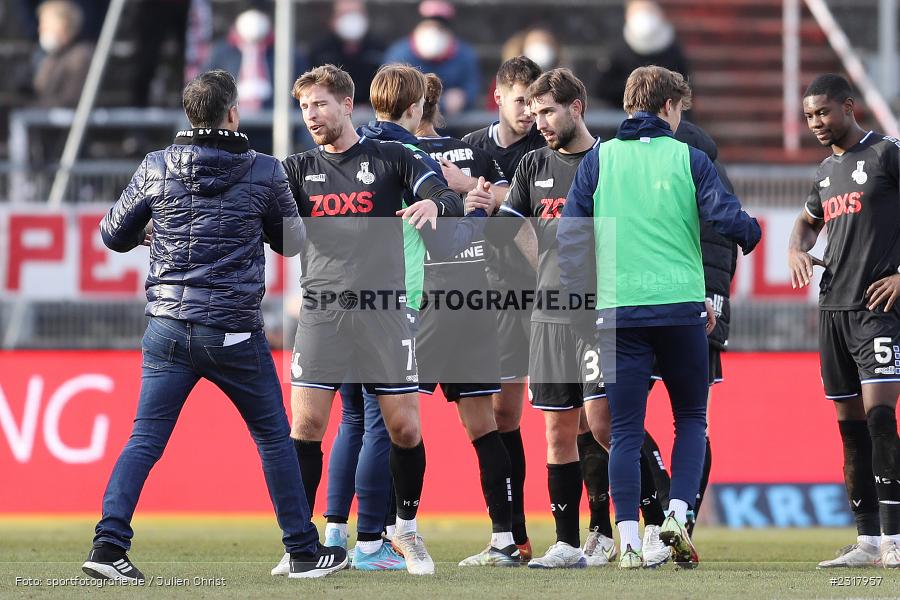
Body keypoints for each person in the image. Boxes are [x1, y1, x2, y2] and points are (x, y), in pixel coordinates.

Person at [83, 70, 347, 582]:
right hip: (231, 329)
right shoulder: (265, 171)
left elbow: (114, 233)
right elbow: (291, 244)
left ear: (189, 114)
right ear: (233, 113)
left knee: (145, 439)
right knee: (273, 436)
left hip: (166, 325)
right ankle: (302, 550)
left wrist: (153, 233)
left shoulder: (156, 166)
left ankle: (107, 546)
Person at [279, 64, 493, 576]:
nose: (312, 115)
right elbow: (255, 212)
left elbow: (441, 190)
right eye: (305, 106)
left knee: (403, 430)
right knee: (307, 426)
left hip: (385, 309)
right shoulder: (294, 169)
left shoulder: (392, 156)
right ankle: (300, 546)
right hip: (321, 310)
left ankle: (404, 532)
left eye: (321, 104)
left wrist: (433, 203)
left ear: (347, 104)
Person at [557, 65, 760, 568]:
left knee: (624, 429)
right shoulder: (689, 158)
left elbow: (569, 237)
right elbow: (727, 221)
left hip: (619, 310)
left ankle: (627, 539)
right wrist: (752, 229)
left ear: (629, 106)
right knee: (690, 420)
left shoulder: (599, 160)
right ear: (669, 107)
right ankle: (674, 516)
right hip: (680, 310)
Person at [486, 68, 608, 569]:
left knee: (604, 425)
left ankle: (619, 528)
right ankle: (568, 543)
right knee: (558, 431)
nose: (540, 124)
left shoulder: (609, 161)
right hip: (550, 315)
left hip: (603, 315)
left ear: (576, 106)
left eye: (548, 112)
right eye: (534, 114)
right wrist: (551, 271)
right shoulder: (533, 164)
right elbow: (507, 229)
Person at [788, 73, 900, 569]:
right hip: (833, 309)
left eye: (822, 113)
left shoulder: (887, 154)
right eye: (809, 115)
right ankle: (868, 542)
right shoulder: (824, 173)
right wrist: (796, 248)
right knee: (849, 428)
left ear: (849, 106)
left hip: (878, 309)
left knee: (880, 419)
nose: (815, 123)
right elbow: (808, 221)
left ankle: (895, 540)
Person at [414, 73, 519, 566]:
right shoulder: (475, 154)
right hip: (476, 295)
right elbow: (507, 208)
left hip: (426, 296)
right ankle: (504, 538)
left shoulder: (394, 154)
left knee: (392, 419)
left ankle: (389, 532)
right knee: (484, 426)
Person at [459, 56, 544, 560]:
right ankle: (514, 533)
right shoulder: (470, 148)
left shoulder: (545, 148)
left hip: (541, 291)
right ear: (498, 96)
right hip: (488, 295)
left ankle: (608, 528)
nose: (532, 113)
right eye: (522, 102)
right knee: (501, 416)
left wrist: (493, 197)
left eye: (537, 104)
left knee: (579, 418)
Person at [384, 0, 480, 116]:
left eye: (440, 28)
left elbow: (472, 87)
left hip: (449, 129)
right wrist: (440, 103)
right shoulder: (399, 54)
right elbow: (391, 93)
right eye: (428, 26)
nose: (433, 32)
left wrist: (463, 97)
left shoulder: (464, 54)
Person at [595, 0, 689, 109]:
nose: (644, 15)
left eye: (649, 10)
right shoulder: (616, 50)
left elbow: (683, 88)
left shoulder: (673, 51)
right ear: (627, 16)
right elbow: (602, 89)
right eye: (638, 10)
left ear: (660, 15)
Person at [309, 0, 385, 106]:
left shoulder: (379, 49)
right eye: (344, 14)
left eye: (356, 13)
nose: (351, 19)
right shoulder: (319, 51)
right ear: (333, 19)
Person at [30, 0, 94, 108]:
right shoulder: (49, 56)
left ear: (63, 25)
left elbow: (70, 100)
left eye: (46, 24)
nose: (40, 29)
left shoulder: (80, 57)